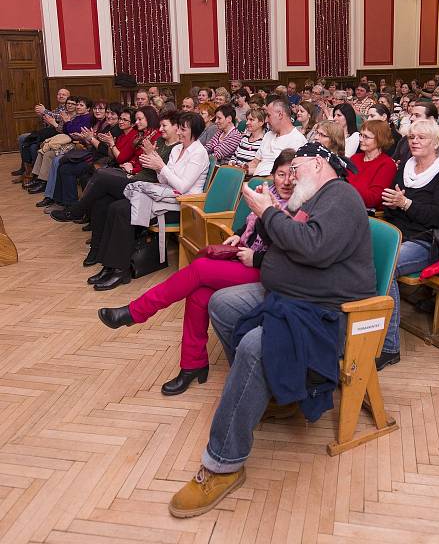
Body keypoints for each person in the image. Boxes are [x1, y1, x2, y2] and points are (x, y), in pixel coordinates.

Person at [166, 143, 374, 518]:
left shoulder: (340, 196)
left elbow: (313, 248)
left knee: (255, 347)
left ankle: (222, 464)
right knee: (223, 304)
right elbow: (285, 241)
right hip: (294, 295)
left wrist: (267, 213)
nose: (291, 175)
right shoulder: (312, 198)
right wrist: (265, 214)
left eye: (296, 168)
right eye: (289, 169)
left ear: (319, 162)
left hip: (329, 312)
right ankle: (274, 392)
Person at [97, 150, 297, 395]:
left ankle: (136, 311)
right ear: (273, 175)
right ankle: (193, 365)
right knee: (199, 295)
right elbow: (250, 225)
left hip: (267, 271)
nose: (286, 181)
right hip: (246, 257)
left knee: (200, 268)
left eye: (291, 175)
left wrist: (256, 258)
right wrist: (238, 233)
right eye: (280, 174)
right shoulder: (267, 195)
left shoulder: (299, 207)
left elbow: (290, 253)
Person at [87, 112, 210, 291]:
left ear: (195, 132)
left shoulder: (199, 153)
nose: (180, 132)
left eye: (184, 129)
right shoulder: (177, 149)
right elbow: (164, 181)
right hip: (164, 197)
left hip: (181, 205)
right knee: (115, 207)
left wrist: (161, 167)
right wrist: (159, 168)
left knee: (124, 211)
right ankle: (109, 265)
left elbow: (183, 187)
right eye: (180, 128)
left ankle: (121, 270)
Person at [380, 120, 439, 369]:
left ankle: (389, 346)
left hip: (427, 240)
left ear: (436, 143)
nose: (414, 141)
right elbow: (391, 202)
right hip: (398, 233)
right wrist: (393, 205)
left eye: (421, 138)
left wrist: (406, 205)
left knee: (385, 267)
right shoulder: (406, 166)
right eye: (412, 136)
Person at [41, 103, 123, 211]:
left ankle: (70, 205)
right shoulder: (108, 126)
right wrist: (88, 139)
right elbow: (95, 146)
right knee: (63, 164)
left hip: (103, 162)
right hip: (93, 155)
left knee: (67, 169)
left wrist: (91, 139)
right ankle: (63, 201)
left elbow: (105, 151)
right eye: (107, 113)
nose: (109, 116)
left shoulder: (117, 130)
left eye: (112, 114)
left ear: (119, 116)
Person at [13, 88, 70, 183]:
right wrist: (43, 116)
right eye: (59, 94)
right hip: (50, 131)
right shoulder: (58, 108)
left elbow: (58, 117)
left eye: (64, 94)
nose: (61, 96)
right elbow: (49, 122)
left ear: (68, 97)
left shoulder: (68, 107)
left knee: (29, 143)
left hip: (58, 134)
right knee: (23, 139)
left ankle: (33, 173)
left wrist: (45, 111)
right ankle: (26, 169)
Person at [348, 119, 397, 211]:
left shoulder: (387, 164)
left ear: (380, 139)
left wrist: (345, 188)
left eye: (366, 137)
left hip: (366, 214)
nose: (361, 139)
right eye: (361, 135)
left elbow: (372, 199)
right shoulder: (355, 158)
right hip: (347, 205)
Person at [249, 99, 306, 176]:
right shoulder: (268, 135)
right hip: (256, 179)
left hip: (273, 184)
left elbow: (290, 175)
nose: (266, 120)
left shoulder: (297, 140)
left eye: (269, 116)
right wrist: (243, 167)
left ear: (280, 115)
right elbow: (255, 162)